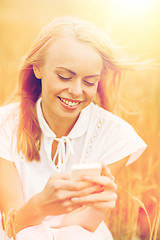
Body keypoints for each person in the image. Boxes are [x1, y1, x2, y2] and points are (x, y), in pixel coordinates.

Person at [0, 16, 147, 240]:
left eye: (89, 82)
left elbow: (76, 229)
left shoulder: (115, 136)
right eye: (64, 77)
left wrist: (98, 211)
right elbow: (14, 226)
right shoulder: (5, 125)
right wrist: (41, 205)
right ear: (37, 68)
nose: (77, 91)